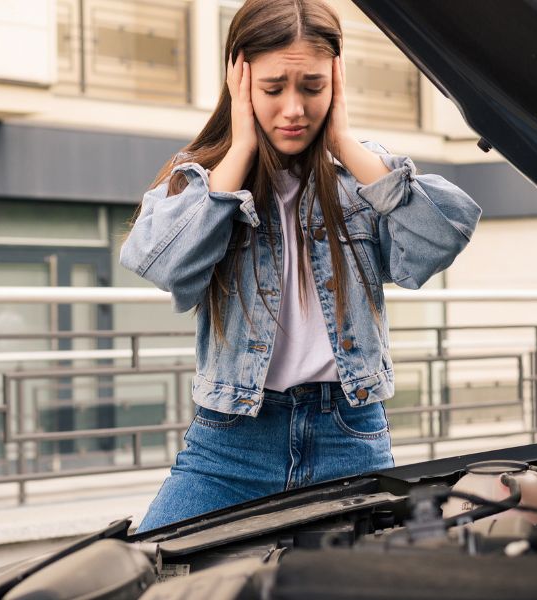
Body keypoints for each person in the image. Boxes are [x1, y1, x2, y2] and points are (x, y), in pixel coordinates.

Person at [120, 0, 481, 532]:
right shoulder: (202, 178)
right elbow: (165, 266)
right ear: (239, 81)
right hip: (231, 444)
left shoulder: (364, 174)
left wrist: (343, 142)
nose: (294, 109)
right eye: (273, 89)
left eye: (312, 87)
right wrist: (241, 148)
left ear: (336, 81)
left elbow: (442, 235)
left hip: (349, 435)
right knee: (151, 566)